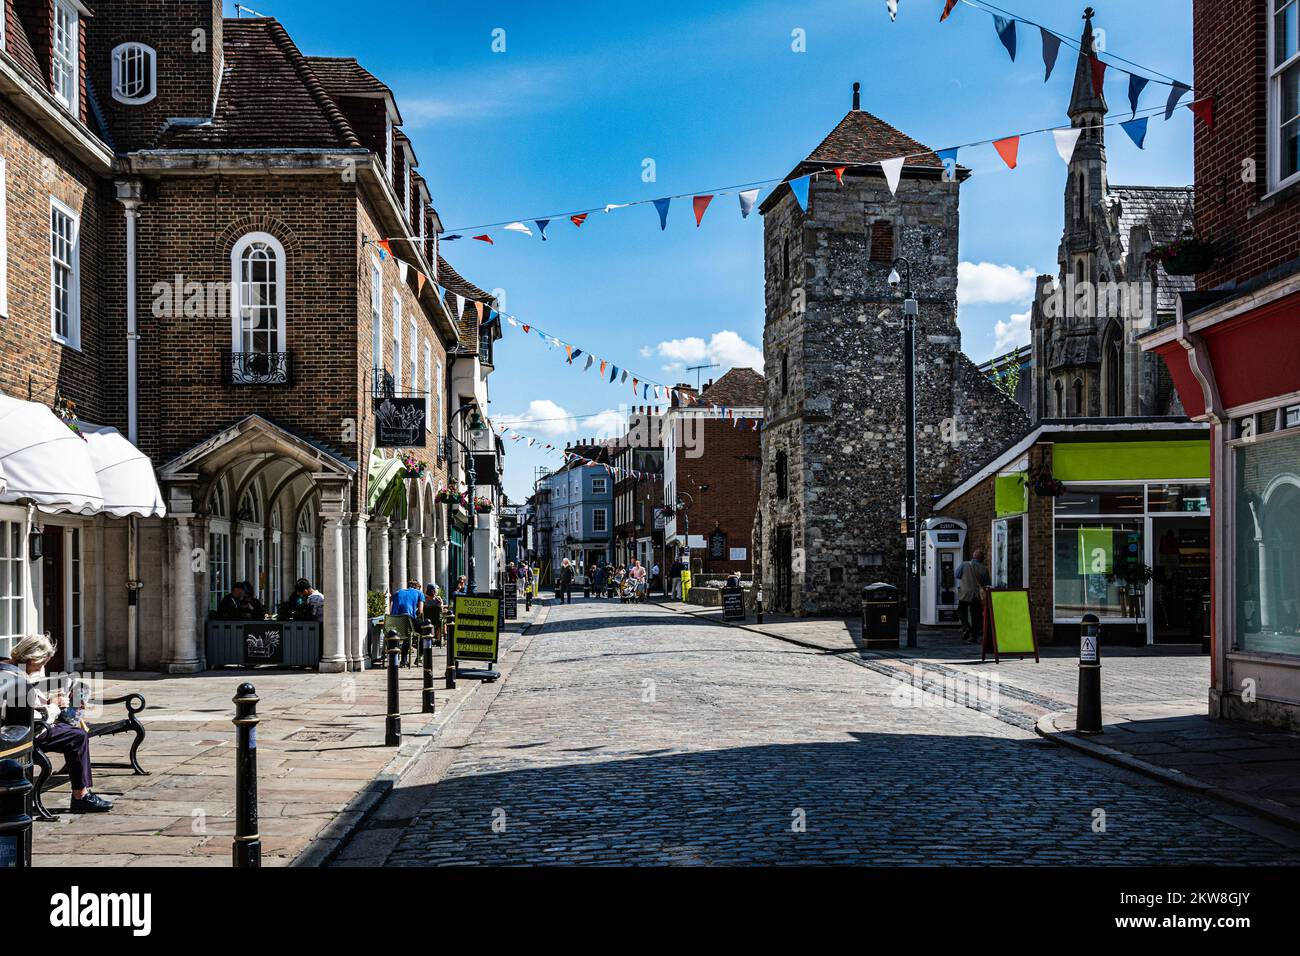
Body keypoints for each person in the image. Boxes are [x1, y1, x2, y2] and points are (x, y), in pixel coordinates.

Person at [1, 635, 112, 813]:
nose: (42, 667)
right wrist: (55, 707)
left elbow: (25, 703)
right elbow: (30, 716)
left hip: (16, 729)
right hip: (23, 734)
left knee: (72, 729)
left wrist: (48, 701)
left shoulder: (8, 667)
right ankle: (81, 796)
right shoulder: (17, 677)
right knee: (77, 736)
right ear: (32, 659)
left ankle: (81, 790)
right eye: (41, 663)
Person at [958, 547, 991, 644]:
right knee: (975, 616)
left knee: (961, 610)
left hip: (965, 593)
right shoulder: (984, 569)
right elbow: (986, 584)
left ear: (973, 556)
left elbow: (957, 575)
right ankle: (974, 637)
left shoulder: (964, 564)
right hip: (976, 595)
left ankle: (966, 627)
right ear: (982, 559)